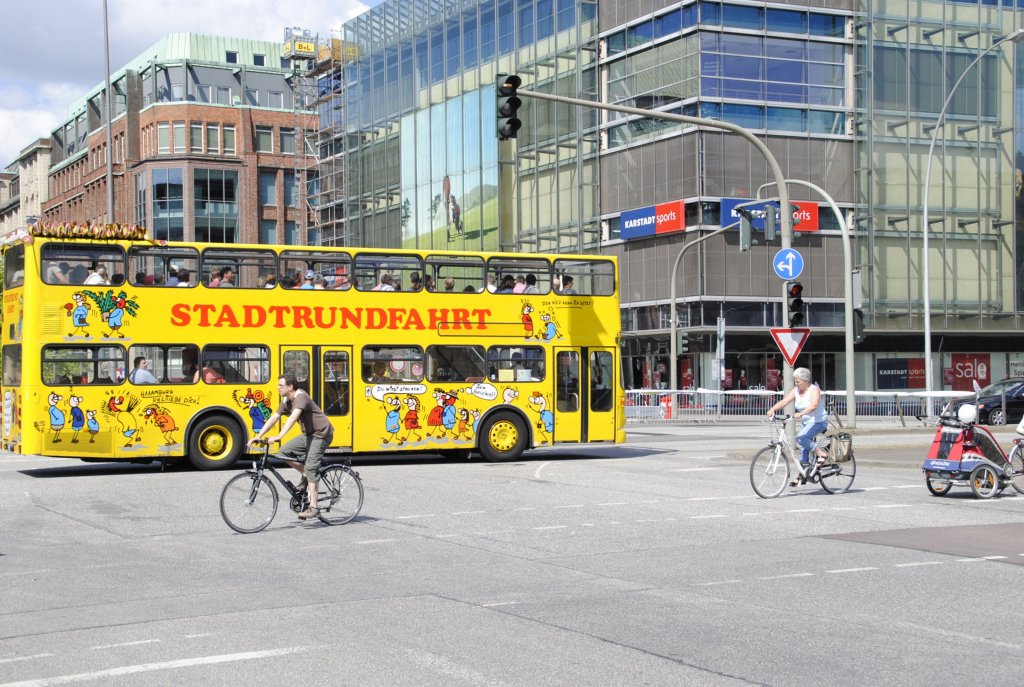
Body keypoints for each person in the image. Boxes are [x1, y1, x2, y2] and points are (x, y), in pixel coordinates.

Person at [248, 374, 334, 520]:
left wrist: (279, 437)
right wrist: (259, 436)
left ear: (290, 387)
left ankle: (313, 507)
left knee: (311, 467)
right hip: (308, 435)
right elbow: (274, 417)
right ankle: (306, 475)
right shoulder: (286, 400)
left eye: (280, 385)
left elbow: (293, 417)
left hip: (321, 434)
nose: (277, 388)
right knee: (284, 452)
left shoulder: (301, 397)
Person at [765, 366, 828, 486]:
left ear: (805, 381)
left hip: (818, 421)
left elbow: (814, 405)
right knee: (803, 448)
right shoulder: (796, 391)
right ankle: (802, 475)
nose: (796, 383)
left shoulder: (814, 390)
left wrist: (802, 413)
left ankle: (821, 453)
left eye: (798, 381)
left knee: (801, 438)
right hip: (807, 422)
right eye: (795, 381)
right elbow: (785, 401)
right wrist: (772, 409)